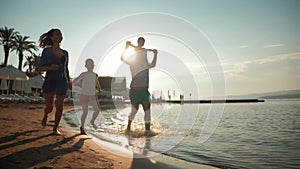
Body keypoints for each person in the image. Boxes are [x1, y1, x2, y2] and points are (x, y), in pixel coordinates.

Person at [38, 28, 72, 135]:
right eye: (57, 34)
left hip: (62, 81)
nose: (60, 36)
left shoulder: (65, 53)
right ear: (52, 37)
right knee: (50, 107)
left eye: (61, 34)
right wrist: (51, 68)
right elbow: (40, 68)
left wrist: (69, 82)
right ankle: (45, 114)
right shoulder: (47, 51)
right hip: (50, 80)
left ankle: (55, 128)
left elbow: (66, 68)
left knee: (60, 105)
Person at [121, 37, 158, 133]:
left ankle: (147, 131)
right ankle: (128, 128)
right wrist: (126, 48)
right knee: (134, 111)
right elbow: (122, 58)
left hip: (144, 92)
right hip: (134, 92)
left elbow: (153, 64)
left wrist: (155, 54)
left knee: (148, 112)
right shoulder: (133, 63)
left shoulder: (146, 64)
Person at [73, 59, 102, 135]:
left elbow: (96, 82)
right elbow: (77, 79)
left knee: (97, 110)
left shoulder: (95, 75)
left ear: (93, 65)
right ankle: (82, 127)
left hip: (92, 95)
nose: (90, 66)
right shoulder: (84, 74)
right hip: (84, 95)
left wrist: (99, 88)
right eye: (88, 64)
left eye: (91, 64)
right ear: (86, 66)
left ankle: (92, 121)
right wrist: (71, 84)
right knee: (85, 112)